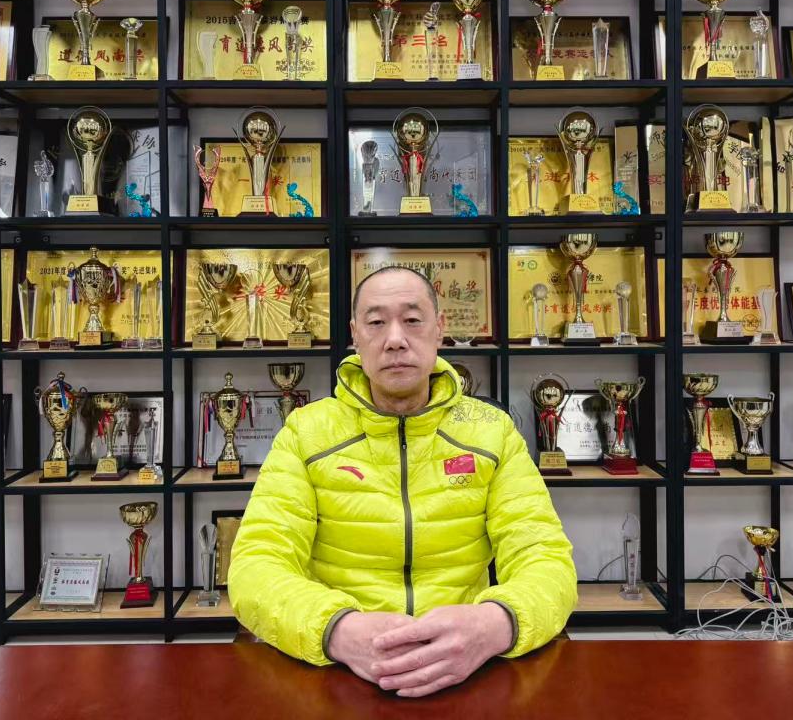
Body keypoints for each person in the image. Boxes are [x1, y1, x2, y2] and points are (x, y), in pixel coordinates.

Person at [228, 265, 576, 698]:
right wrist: (337, 630)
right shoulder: (305, 433)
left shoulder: (492, 431)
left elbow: (545, 557)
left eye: (412, 320)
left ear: (439, 329)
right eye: (376, 322)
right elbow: (256, 566)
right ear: (355, 335)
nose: (395, 339)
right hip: (339, 672)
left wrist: (494, 623)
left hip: (468, 665)